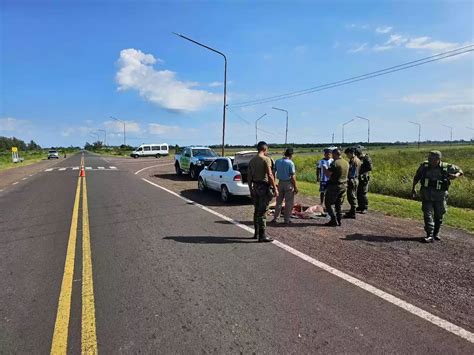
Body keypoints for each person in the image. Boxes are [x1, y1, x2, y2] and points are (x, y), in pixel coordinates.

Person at [411, 150, 463, 243]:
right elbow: (417, 177)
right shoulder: (424, 166)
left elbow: (460, 171)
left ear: (438, 159)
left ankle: (436, 233)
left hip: (440, 196)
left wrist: (455, 175)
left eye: (433, 159)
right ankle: (429, 235)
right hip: (426, 195)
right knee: (427, 214)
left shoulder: (446, 167)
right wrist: (413, 188)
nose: (430, 160)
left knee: (439, 215)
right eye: (429, 158)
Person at [248, 141, 279, 242]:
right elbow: (270, 175)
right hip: (263, 187)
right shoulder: (266, 159)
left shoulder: (252, 161)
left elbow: (249, 177)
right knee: (262, 212)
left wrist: (250, 189)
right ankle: (262, 235)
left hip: (255, 187)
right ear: (265, 149)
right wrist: (275, 188)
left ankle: (256, 233)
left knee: (256, 211)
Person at [272, 148, 298, 224]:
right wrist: (295, 187)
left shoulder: (277, 161)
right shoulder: (290, 163)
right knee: (289, 203)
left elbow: (273, 172)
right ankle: (286, 219)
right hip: (288, 183)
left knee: (278, 202)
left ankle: (275, 218)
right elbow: (292, 176)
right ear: (291, 155)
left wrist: (274, 182)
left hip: (280, 183)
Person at [323, 148, 349, 226]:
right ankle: (339, 219)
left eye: (332, 155)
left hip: (335, 186)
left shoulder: (335, 163)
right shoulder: (346, 162)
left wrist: (324, 168)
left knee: (328, 203)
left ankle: (333, 219)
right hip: (344, 185)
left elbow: (328, 174)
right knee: (339, 204)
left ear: (334, 154)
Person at [354, 146, 372, 214]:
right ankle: (360, 206)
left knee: (363, 193)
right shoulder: (358, 158)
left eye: (357, 153)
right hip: (358, 177)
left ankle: (365, 207)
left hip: (364, 178)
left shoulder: (366, 158)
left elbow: (370, 168)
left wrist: (360, 170)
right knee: (358, 192)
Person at [344, 147, 361, 218]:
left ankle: (353, 212)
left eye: (347, 154)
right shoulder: (358, 159)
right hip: (356, 179)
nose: (347, 156)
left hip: (352, 179)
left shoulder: (353, 161)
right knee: (353, 195)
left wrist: (348, 179)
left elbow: (351, 172)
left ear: (351, 153)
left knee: (351, 196)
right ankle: (352, 210)